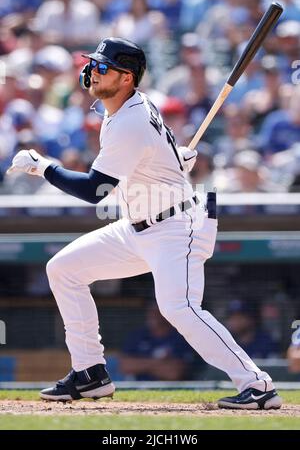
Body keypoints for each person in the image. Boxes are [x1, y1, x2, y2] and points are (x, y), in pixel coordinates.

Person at [7, 37, 282, 410]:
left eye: (103, 67)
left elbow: (96, 190)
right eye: (93, 65)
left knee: (178, 307)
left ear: (125, 79)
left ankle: (257, 384)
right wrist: (171, 161)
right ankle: (90, 373)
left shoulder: (129, 120)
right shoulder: (125, 107)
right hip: (139, 225)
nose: (92, 71)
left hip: (175, 226)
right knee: (64, 269)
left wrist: (44, 168)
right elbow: (153, 150)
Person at [120, 302, 195, 381]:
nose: (153, 315)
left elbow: (173, 373)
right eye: (151, 311)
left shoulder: (179, 336)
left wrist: (140, 365)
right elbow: (124, 366)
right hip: (139, 387)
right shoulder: (138, 335)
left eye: (157, 311)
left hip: (170, 388)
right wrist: (159, 362)